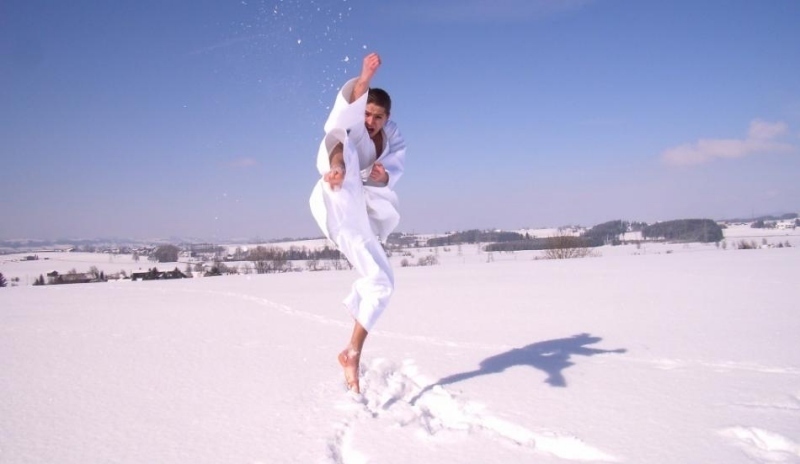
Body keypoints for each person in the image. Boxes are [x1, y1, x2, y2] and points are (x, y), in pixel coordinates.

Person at [309, 52, 406, 394]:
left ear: (387, 118)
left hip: (362, 210)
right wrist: (364, 78)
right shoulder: (352, 131)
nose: (370, 120)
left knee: (380, 282)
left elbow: (394, 169)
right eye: (366, 113)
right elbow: (337, 140)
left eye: (378, 116)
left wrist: (383, 176)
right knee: (380, 282)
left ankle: (352, 352)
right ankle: (352, 353)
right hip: (341, 199)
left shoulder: (391, 137)